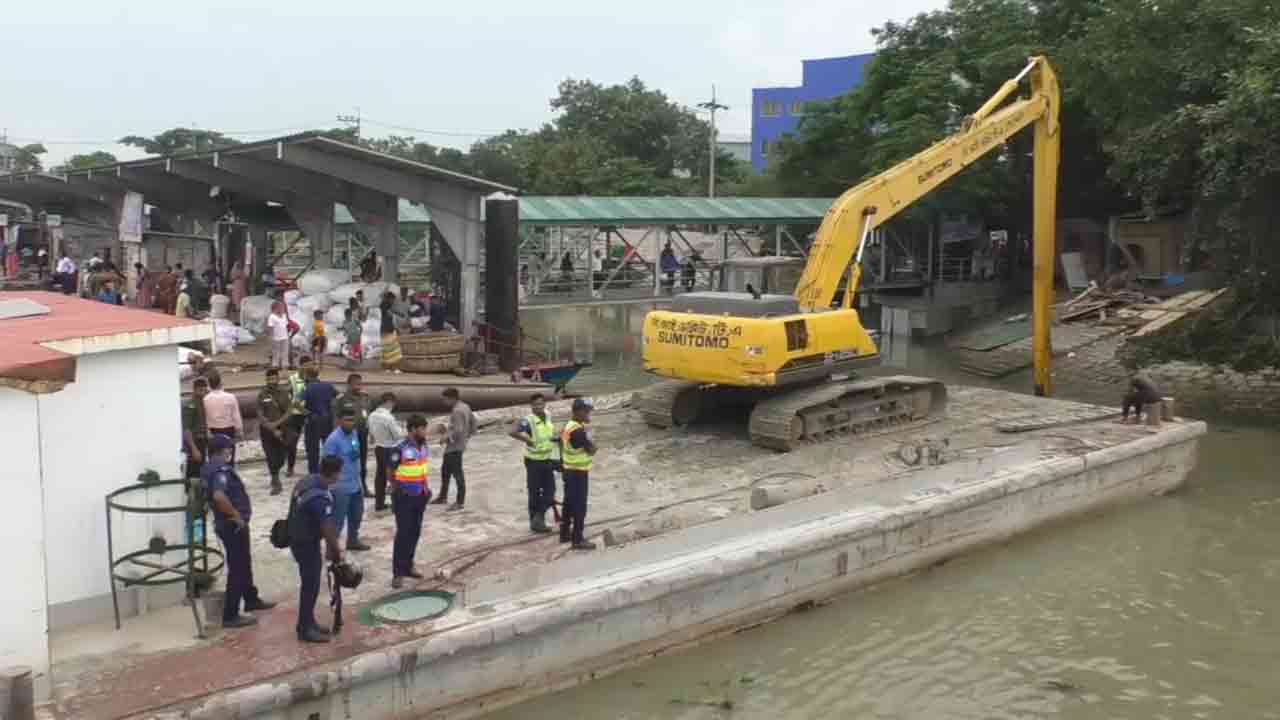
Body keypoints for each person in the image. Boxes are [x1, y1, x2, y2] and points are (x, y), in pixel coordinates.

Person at [202, 434, 276, 628]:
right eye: (228, 448)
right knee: (237, 568)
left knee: (244, 562)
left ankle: (251, 598)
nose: (231, 451)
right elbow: (219, 496)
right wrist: (236, 515)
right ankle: (231, 614)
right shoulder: (220, 470)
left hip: (232, 524)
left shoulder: (209, 467)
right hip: (232, 525)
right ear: (221, 450)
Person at [289, 454, 343, 643]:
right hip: (306, 544)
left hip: (298, 538)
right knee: (310, 586)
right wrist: (337, 552)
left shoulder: (307, 480)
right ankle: (304, 629)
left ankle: (308, 622)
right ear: (335, 474)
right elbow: (328, 529)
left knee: (309, 584)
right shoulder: (320, 498)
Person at [391, 414, 432, 588]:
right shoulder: (400, 448)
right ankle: (398, 572)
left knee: (415, 532)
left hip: (420, 495)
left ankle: (408, 566)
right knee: (403, 534)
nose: (425, 432)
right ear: (413, 429)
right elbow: (389, 471)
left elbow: (422, 468)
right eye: (422, 428)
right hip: (404, 497)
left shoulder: (423, 447)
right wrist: (398, 489)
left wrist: (426, 489)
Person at [509, 393, 558, 534]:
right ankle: (535, 523)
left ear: (545, 404)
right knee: (534, 492)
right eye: (536, 404)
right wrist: (527, 440)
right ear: (531, 406)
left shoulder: (548, 415)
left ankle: (538, 517)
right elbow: (512, 431)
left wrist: (554, 439)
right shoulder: (528, 420)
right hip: (533, 461)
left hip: (547, 458)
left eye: (541, 404)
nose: (539, 407)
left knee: (550, 492)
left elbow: (547, 434)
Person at [323, 408, 369, 551]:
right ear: (339, 421)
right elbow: (327, 464)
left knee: (357, 515)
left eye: (352, 420)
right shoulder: (333, 440)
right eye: (347, 420)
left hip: (355, 483)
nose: (351, 423)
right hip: (340, 487)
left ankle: (352, 540)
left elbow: (356, 453)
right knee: (338, 520)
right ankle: (332, 549)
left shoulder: (354, 433)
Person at [560, 398, 597, 550]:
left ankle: (564, 533)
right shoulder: (579, 431)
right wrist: (592, 444)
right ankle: (578, 539)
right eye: (587, 411)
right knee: (579, 506)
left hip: (569, 470)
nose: (589, 414)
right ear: (578, 411)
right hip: (578, 473)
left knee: (568, 504)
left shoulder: (569, 426)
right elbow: (591, 450)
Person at [434, 387, 476, 510]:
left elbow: (457, 430)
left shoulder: (457, 411)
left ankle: (459, 501)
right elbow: (474, 423)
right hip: (459, 445)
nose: (444, 402)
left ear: (451, 398)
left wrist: (445, 438)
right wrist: (467, 436)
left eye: (445, 400)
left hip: (454, 447)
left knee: (457, 474)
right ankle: (442, 496)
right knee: (445, 471)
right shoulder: (465, 406)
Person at [333, 374, 373, 498]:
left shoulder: (365, 397)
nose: (359, 386)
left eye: (360, 383)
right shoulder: (342, 399)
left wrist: (371, 432)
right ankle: (348, 487)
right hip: (349, 436)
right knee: (350, 460)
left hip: (362, 434)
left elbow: (369, 416)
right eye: (356, 384)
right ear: (349, 384)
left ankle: (363, 486)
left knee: (362, 461)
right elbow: (336, 418)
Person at [258, 368, 293, 494]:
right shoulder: (262, 394)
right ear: (266, 380)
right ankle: (275, 480)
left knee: (281, 458)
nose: (272, 381)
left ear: (278, 379)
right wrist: (270, 426)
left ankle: (276, 473)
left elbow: (289, 411)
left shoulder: (284, 393)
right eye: (269, 379)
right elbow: (260, 414)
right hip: (266, 431)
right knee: (270, 456)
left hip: (282, 429)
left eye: (274, 378)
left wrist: (277, 424)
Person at [368, 392, 403, 512]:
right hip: (390, 449)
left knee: (380, 476)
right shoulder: (388, 417)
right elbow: (398, 435)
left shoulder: (372, 415)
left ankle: (379, 503)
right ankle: (396, 504)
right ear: (390, 402)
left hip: (379, 448)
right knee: (393, 477)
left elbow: (371, 435)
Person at [301, 365, 338, 475]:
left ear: (307, 375)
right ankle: (329, 471)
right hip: (327, 421)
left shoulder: (307, 389)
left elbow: (296, 404)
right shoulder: (328, 386)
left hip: (313, 422)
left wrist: (307, 413)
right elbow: (340, 397)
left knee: (313, 450)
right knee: (328, 447)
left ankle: (314, 473)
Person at [203, 371, 243, 463]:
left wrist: (207, 432)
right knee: (228, 457)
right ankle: (228, 475)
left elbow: (204, 418)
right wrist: (240, 431)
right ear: (220, 382)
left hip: (213, 431)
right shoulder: (231, 397)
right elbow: (236, 415)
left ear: (209, 384)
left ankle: (214, 475)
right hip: (229, 431)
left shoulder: (205, 399)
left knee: (213, 457)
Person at [285, 357, 312, 476]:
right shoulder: (292, 379)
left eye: (310, 365)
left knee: (310, 442)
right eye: (306, 365)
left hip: (309, 414)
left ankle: (312, 467)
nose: (308, 368)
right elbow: (287, 396)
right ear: (300, 366)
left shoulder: (312, 379)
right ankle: (290, 467)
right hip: (295, 415)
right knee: (292, 443)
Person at [183, 377, 210, 480]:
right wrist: (194, 449)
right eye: (201, 390)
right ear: (195, 390)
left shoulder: (203, 403)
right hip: (194, 442)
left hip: (203, 441)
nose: (203, 393)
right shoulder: (190, 406)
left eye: (205, 390)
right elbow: (187, 430)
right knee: (194, 474)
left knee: (201, 471)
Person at [380, 291, 402, 373]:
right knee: (395, 350)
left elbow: (393, 312)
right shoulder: (385, 306)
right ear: (389, 299)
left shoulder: (385, 306)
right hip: (388, 330)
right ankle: (394, 368)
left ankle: (388, 368)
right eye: (392, 299)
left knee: (387, 350)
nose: (393, 301)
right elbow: (390, 315)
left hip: (385, 330)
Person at [267, 301, 290, 369]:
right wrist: (271, 337)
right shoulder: (272, 317)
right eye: (281, 307)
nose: (283, 309)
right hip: (276, 337)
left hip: (284, 336)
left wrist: (288, 335)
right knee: (276, 352)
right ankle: (275, 365)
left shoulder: (284, 316)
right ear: (275, 308)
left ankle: (285, 365)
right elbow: (270, 327)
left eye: (283, 307)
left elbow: (285, 326)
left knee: (285, 352)